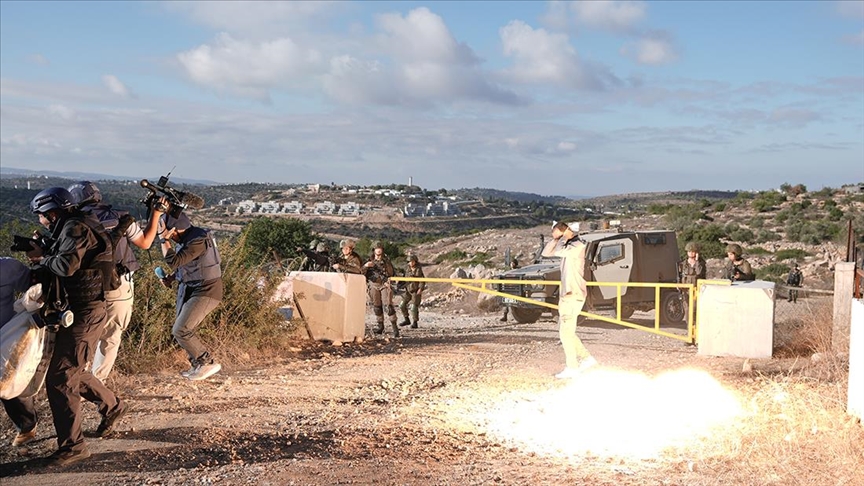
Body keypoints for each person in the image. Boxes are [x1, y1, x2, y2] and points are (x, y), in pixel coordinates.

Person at [25, 187, 128, 466]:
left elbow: (67, 265)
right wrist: (46, 249)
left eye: (41, 216)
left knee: (61, 377)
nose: (41, 221)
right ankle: (112, 406)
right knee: (71, 370)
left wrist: (41, 258)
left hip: (85, 312)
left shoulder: (75, 228)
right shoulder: (75, 225)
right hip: (82, 310)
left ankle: (73, 447)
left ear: (52, 213)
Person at [68, 180, 165, 381]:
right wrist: (156, 214)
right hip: (118, 285)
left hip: (84, 286)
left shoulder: (73, 222)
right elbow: (145, 243)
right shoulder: (119, 217)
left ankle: (76, 378)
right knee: (111, 336)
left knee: (84, 333)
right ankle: (97, 383)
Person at [156, 212, 223, 381]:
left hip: (207, 290)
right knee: (182, 328)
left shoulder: (197, 240)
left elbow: (174, 261)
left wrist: (164, 240)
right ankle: (197, 365)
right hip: (190, 287)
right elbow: (187, 264)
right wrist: (172, 278)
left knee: (181, 329)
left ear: (174, 230)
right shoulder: (188, 238)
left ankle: (206, 362)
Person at [542, 221, 597, 379]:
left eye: (554, 232)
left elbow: (559, 251)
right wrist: (556, 239)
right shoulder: (568, 245)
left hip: (573, 293)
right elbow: (546, 253)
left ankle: (573, 366)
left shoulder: (577, 245)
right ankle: (586, 358)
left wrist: (563, 237)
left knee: (566, 333)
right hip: (568, 294)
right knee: (566, 331)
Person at [1, 257, 39, 447]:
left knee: (9, 382)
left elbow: (34, 289)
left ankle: (27, 425)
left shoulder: (7, 267)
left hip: (6, 336)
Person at [363, 240, 399, 337]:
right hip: (373, 285)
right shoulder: (369, 261)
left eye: (380, 248)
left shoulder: (386, 261)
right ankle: (380, 326)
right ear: (373, 250)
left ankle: (395, 328)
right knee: (377, 306)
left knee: (388, 306)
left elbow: (391, 273)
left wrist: (390, 281)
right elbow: (362, 272)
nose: (378, 250)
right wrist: (366, 266)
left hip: (384, 285)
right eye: (376, 249)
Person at [398, 254, 426, 329]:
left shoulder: (418, 269)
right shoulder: (407, 269)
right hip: (407, 290)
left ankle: (415, 322)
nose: (411, 263)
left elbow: (422, 280)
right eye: (410, 261)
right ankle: (406, 319)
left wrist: (420, 288)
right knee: (402, 305)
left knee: (413, 307)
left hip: (415, 290)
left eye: (412, 261)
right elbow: (403, 278)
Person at [499, 258, 519, 322]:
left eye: (513, 263)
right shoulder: (508, 272)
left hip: (516, 288)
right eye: (511, 263)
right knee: (506, 302)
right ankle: (505, 316)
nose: (512, 264)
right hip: (509, 288)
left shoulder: (519, 271)